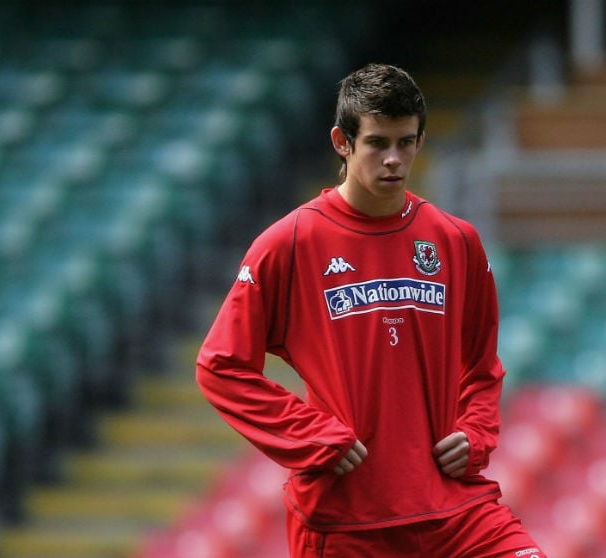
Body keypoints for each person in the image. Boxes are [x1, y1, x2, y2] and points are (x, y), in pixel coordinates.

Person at [196, 63, 545, 557]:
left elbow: (482, 366)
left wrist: (476, 434)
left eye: (406, 142)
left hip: (456, 511)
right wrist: (311, 435)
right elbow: (221, 366)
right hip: (349, 523)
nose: (394, 159)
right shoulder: (289, 244)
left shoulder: (455, 240)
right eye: (378, 143)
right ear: (342, 142)